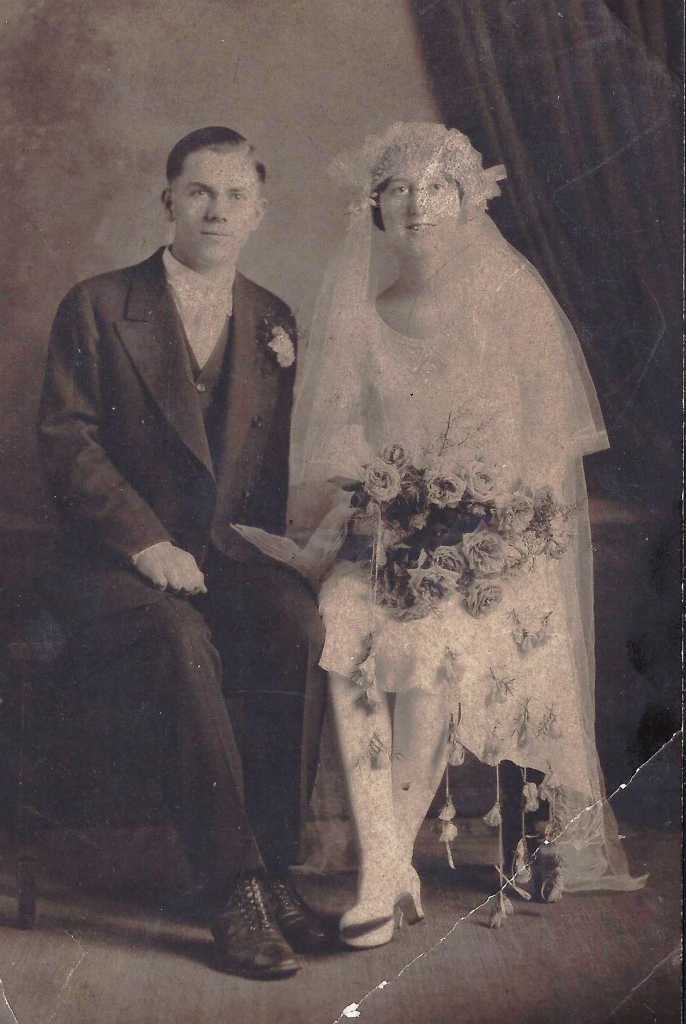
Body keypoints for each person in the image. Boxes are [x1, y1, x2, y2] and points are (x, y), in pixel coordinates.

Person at [287, 123, 646, 949]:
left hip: (496, 551)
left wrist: (473, 517)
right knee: (345, 623)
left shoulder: (508, 302)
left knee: (433, 641)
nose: (417, 204)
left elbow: (543, 445)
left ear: (465, 201)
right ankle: (390, 861)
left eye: (436, 188)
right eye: (400, 189)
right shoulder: (365, 316)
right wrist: (389, 496)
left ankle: (382, 875)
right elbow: (336, 434)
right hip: (392, 541)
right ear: (375, 207)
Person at [37, 127, 330, 979]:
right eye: (199, 191)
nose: (217, 210)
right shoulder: (95, 304)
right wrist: (146, 543)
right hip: (111, 564)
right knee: (177, 638)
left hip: (228, 559)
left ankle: (274, 868)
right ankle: (232, 887)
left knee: (296, 625)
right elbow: (67, 445)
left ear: (261, 211)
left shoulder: (272, 315)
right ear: (166, 199)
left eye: (236, 196)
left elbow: (275, 462)